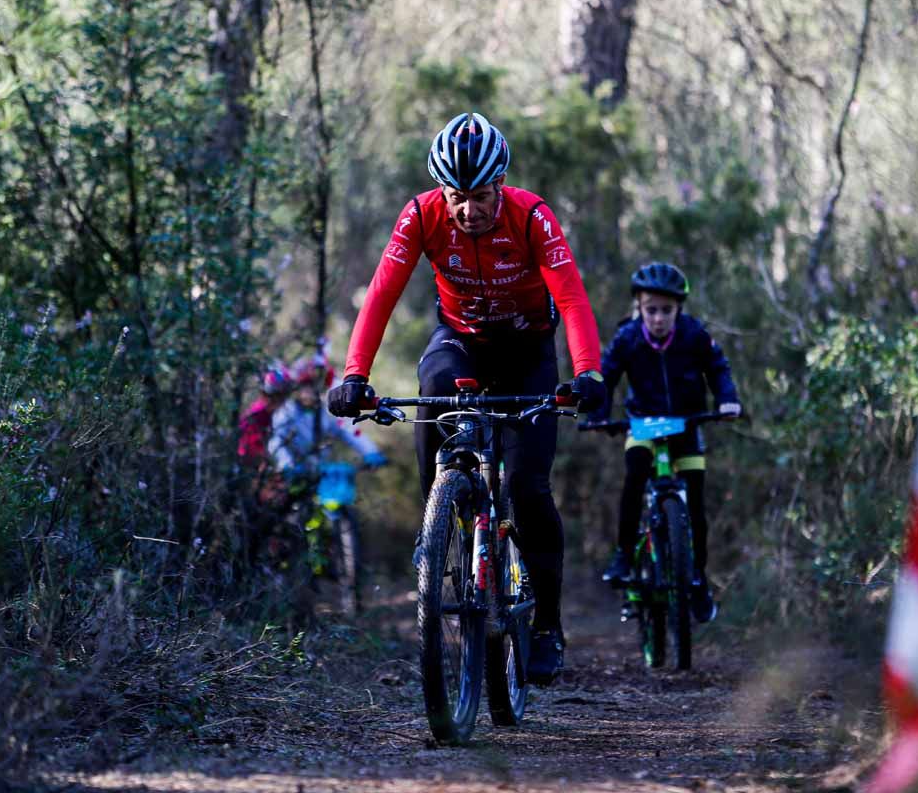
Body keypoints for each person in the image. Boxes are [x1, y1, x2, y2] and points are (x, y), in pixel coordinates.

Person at [326, 112, 606, 685]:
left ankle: (547, 625)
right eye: (457, 197)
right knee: (433, 391)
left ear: (498, 187)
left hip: (528, 349)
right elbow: (381, 292)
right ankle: (440, 532)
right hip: (460, 341)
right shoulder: (422, 215)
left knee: (527, 488)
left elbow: (573, 300)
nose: (468, 211)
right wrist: (354, 374)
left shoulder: (532, 217)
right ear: (442, 190)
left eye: (480, 197)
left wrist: (588, 374)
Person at [593, 262, 741, 623]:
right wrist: (598, 411)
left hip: (686, 426)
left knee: (696, 505)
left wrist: (727, 399)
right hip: (642, 425)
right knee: (634, 476)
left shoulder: (694, 336)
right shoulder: (627, 337)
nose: (659, 318)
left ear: (679, 310)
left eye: (667, 311)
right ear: (639, 308)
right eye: (651, 310)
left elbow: (718, 368)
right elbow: (606, 374)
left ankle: (697, 579)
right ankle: (625, 555)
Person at [270, 355, 387, 476]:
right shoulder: (286, 412)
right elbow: (275, 441)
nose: (308, 393)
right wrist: (286, 465)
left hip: (318, 471)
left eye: (312, 388)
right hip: (293, 471)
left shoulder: (324, 412)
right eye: (304, 388)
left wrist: (370, 451)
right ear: (296, 390)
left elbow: (346, 431)